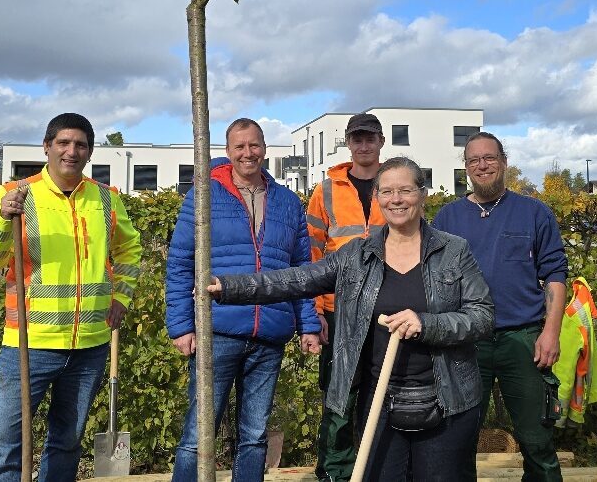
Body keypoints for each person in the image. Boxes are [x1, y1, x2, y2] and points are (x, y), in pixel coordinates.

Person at [209, 156, 494, 481]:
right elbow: (294, 280)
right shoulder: (356, 256)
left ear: (422, 194)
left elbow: (482, 317)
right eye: (387, 192)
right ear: (377, 198)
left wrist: (426, 324)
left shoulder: (454, 251)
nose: (396, 199)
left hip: (448, 402)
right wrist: (227, 287)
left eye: (405, 190)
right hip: (380, 404)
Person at [0, 113, 142, 482]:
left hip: (90, 346)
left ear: (90, 151)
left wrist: (121, 299)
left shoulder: (106, 199)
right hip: (29, 343)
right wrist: (3, 219)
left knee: (66, 442)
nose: (71, 151)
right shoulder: (16, 195)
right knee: (3, 443)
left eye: (80, 144)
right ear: (47, 146)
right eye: (63, 143)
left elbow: (130, 250)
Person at [165, 117, 323, 482]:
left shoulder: (287, 202)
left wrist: (309, 324)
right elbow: (180, 262)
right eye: (240, 147)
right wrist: (180, 326)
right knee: (197, 435)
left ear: (265, 148)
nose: (247, 153)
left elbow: (301, 271)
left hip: (269, 334)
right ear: (227, 151)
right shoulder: (203, 195)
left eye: (254, 145)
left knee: (253, 437)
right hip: (218, 330)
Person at [432, 132, 567, 482]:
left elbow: (554, 275)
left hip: (522, 338)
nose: (482, 165)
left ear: (504, 162)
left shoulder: (534, 213)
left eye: (489, 158)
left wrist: (551, 332)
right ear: (466, 167)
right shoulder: (447, 218)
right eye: (474, 160)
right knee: (458, 439)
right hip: (466, 342)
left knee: (536, 440)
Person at [306, 112, 387, 482]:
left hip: (388, 310)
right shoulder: (325, 191)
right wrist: (318, 310)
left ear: (381, 141)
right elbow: (313, 255)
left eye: (370, 138)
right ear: (349, 143)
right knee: (339, 396)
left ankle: (377, 468)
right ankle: (335, 472)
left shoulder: (396, 183)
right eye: (357, 139)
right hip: (340, 311)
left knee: (384, 392)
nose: (364, 145)